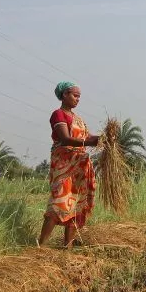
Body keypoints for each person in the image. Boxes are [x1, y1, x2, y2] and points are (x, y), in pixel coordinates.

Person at [38, 82, 100, 248]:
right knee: (59, 202)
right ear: (64, 95)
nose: (77, 99)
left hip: (79, 167)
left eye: (79, 96)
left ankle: (68, 247)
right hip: (64, 164)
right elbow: (65, 138)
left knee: (76, 205)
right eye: (74, 95)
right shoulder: (58, 115)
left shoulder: (78, 119)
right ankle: (41, 246)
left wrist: (103, 138)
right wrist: (91, 142)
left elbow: (89, 137)